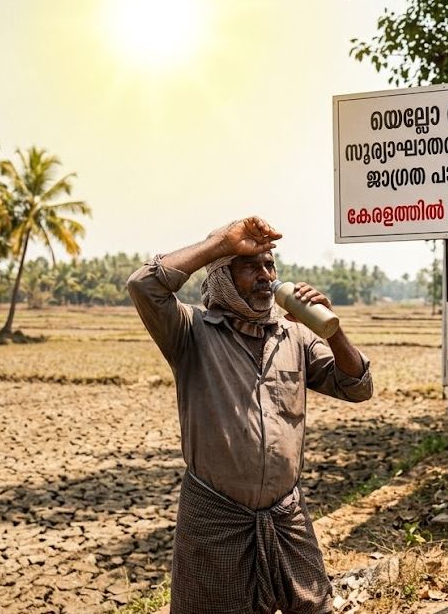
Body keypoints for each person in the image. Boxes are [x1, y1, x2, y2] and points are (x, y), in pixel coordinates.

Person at [126, 216, 373, 613]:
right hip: (216, 518)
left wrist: (333, 329)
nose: (265, 276)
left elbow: (357, 386)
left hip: (285, 513)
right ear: (223, 275)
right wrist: (221, 243)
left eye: (270, 266)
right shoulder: (191, 332)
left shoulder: (294, 336)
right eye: (251, 266)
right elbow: (144, 285)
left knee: (314, 606)